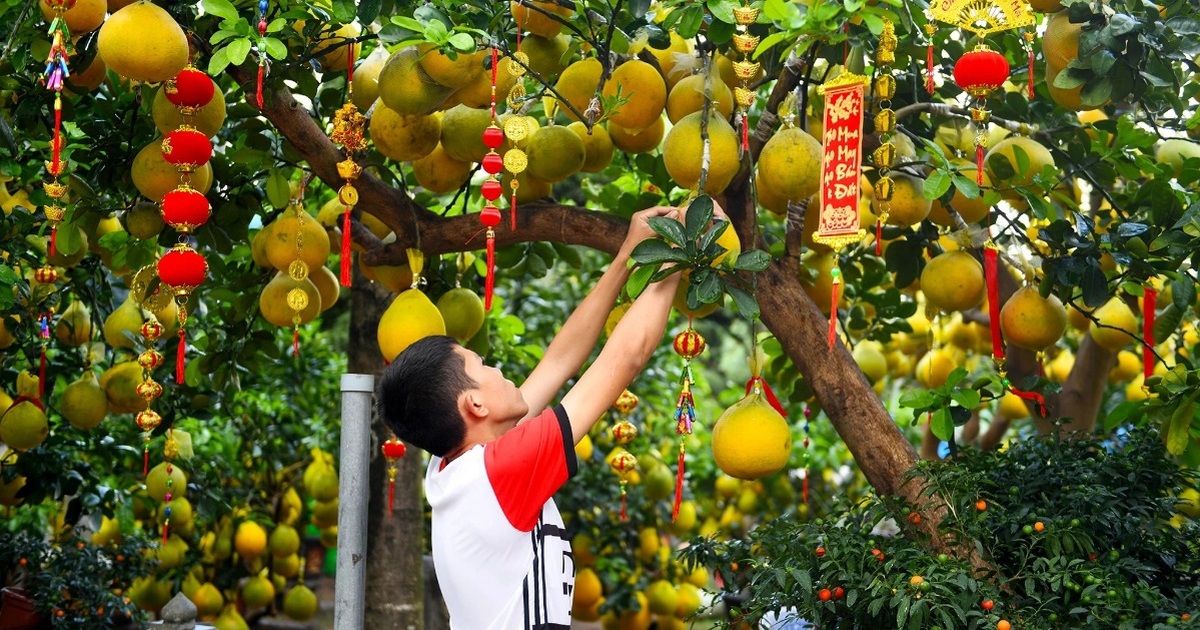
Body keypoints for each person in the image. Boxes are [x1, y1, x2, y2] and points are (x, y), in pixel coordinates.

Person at [377, 203, 713, 629]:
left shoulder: (455, 464)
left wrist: (631, 251)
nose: (497, 370)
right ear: (475, 406)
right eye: (483, 366)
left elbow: (558, 361)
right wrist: (676, 257)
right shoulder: (500, 472)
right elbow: (624, 360)